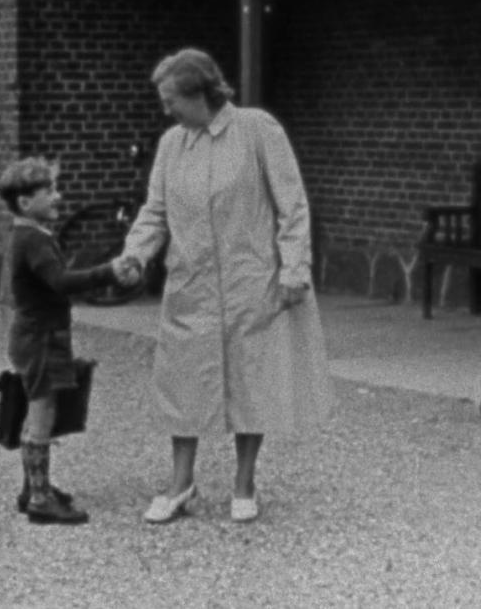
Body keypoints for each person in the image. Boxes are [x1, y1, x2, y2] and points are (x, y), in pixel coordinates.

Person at [118, 47, 332, 524]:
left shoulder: (258, 130)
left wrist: (294, 269)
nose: (166, 110)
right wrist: (135, 253)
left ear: (200, 93)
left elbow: (292, 205)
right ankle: (180, 483)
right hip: (190, 282)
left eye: (171, 99)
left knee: (251, 378)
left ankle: (244, 482)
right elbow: (155, 211)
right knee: (181, 381)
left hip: (250, 280)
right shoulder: (172, 144)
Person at [0, 156, 132, 524]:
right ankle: (40, 498)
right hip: (41, 338)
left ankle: (33, 487)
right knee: (41, 413)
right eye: (50, 191)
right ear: (26, 202)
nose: (58, 196)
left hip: (37, 335)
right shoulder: (33, 240)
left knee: (38, 409)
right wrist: (108, 272)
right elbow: (60, 281)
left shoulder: (29, 235)